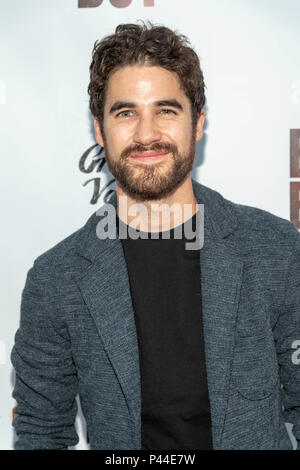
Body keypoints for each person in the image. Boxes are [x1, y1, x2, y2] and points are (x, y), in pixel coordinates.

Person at [10, 21, 300, 450]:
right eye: (126, 112)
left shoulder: (276, 250)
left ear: (198, 123)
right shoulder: (56, 279)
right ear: (99, 130)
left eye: (166, 110)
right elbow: (40, 431)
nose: (146, 135)